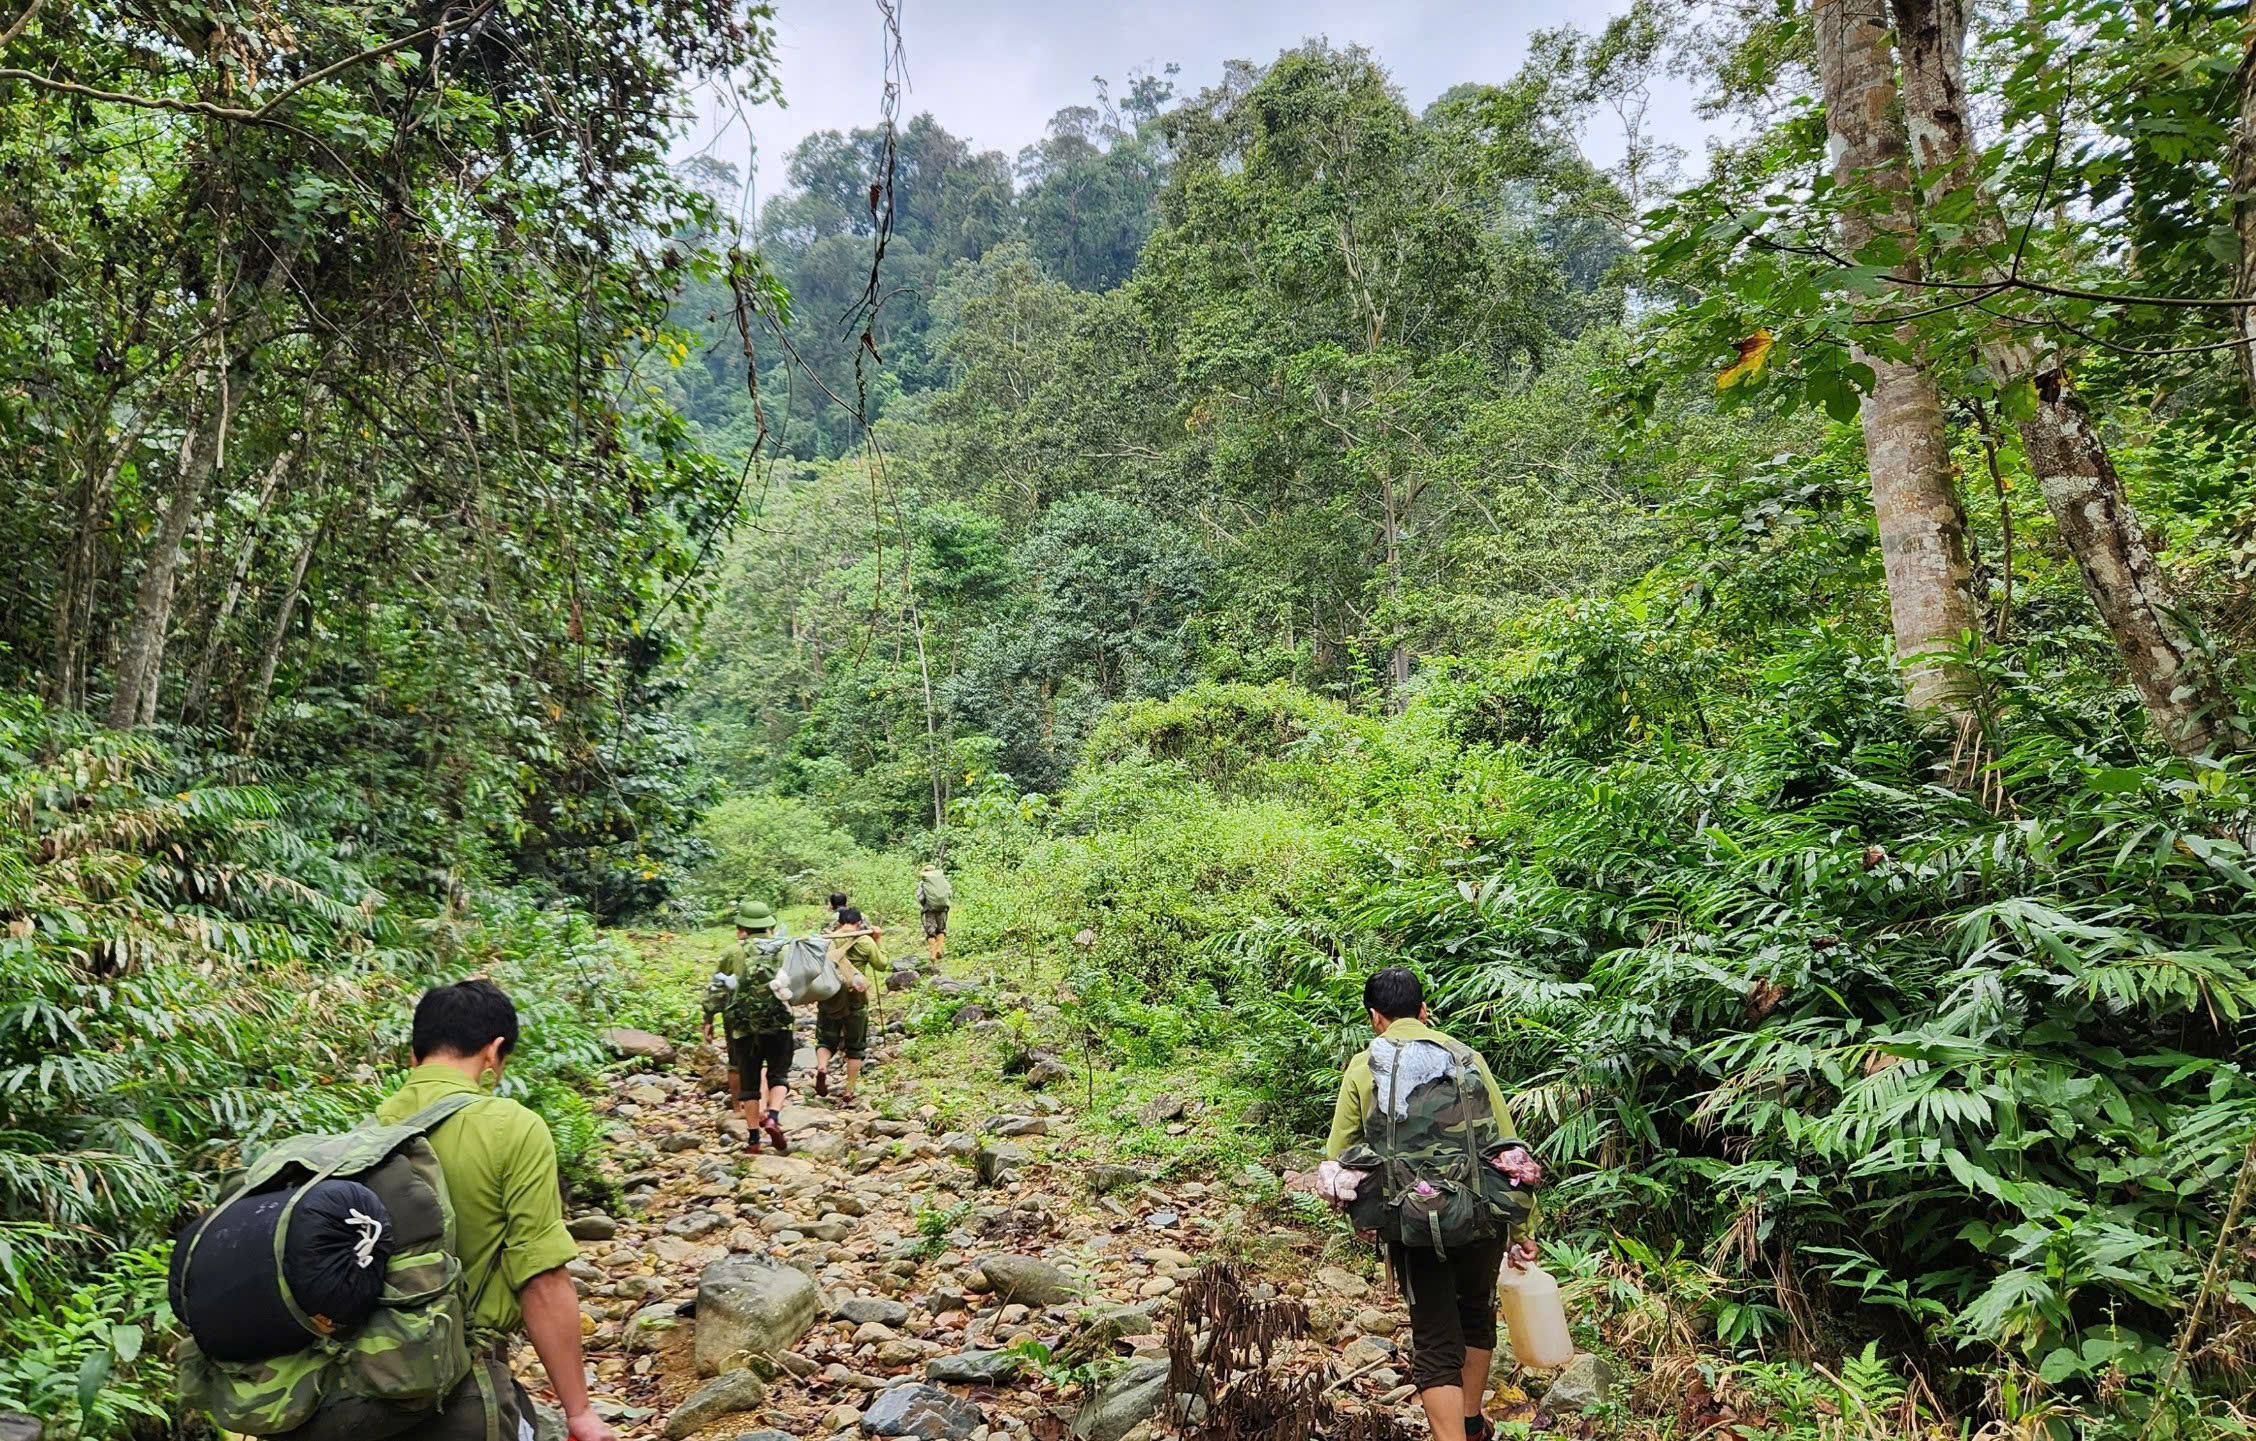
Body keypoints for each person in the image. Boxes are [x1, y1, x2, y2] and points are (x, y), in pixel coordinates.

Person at [375, 979, 619, 1441]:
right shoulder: (513, 1127)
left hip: (374, 1383)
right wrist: (579, 1412)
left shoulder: (368, 1133)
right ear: (494, 1052)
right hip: (466, 1380)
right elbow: (542, 1279)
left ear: (414, 1054)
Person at [1324, 967, 1542, 1441]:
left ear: (1375, 1017)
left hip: (1411, 1222)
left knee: (1435, 1334)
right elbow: (1508, 1149)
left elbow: (1339, 1155)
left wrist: (1360, 1218)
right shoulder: (1467, 1058)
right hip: (1480, 1212)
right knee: (1476, 1314)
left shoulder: (1364, 1066)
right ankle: (1469, 1421)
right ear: (1424, 1011)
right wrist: (1524, 1232)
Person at [701, 900, 794, 1154]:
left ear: (741, 927)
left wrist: (709, 1017)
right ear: (769, 927)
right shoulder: (785, 951)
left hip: (742, 1027)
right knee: (779, 1075)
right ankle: (773, 1115)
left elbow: (717, 987)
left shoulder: (733, 952)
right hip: (779, 1024)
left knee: (750, 1083)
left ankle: (754, 1140)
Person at [813, 905, 878, 1102]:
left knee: (825, 1040)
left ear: (839, 923)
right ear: (859, 923)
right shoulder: (865, 941)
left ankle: (822, 1066)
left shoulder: (826, 941)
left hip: (830, 997)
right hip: (856, 1000)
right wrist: (877, 941)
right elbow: (881, 964)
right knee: (855, 1048)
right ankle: (849, 1090)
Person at [915, 862, 951, 965]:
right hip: (943, 908)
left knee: (931, 932)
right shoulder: (943, 880)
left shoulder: (923, 883)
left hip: (929, 909)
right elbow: (949, 893)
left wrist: (925, 905)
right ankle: (939, 949)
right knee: (941, 930)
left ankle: (933, 954)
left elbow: (920, 897)